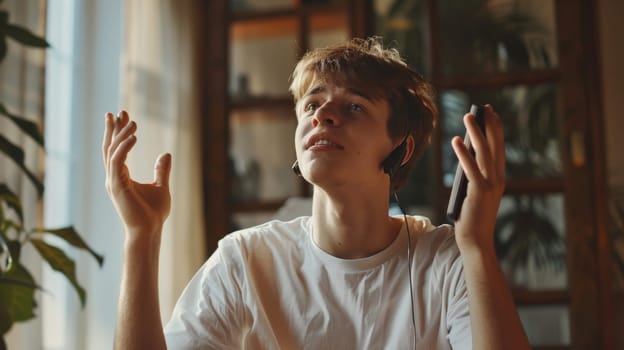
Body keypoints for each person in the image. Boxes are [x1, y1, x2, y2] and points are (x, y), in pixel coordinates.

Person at [102, 37, 530, 349]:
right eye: (311, 104)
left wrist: (476, 247)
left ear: (400, 146)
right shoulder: (245, 259)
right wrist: (142, 238)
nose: (322, 115)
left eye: (354, 107)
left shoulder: (446, 260)